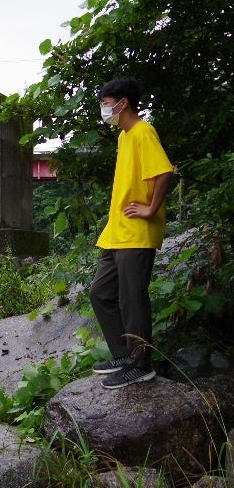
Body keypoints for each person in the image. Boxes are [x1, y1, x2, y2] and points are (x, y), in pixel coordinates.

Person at [88, 77, 174, 390]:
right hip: (118, 232)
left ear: (123, 102)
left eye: (106, 102)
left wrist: (150, 209)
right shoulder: (125, 137)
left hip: (137, 232)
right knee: (100, 293)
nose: (104, 108)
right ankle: (126, 356)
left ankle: (141, 365)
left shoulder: (142, 132)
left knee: (131, 299)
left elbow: (164, 171)